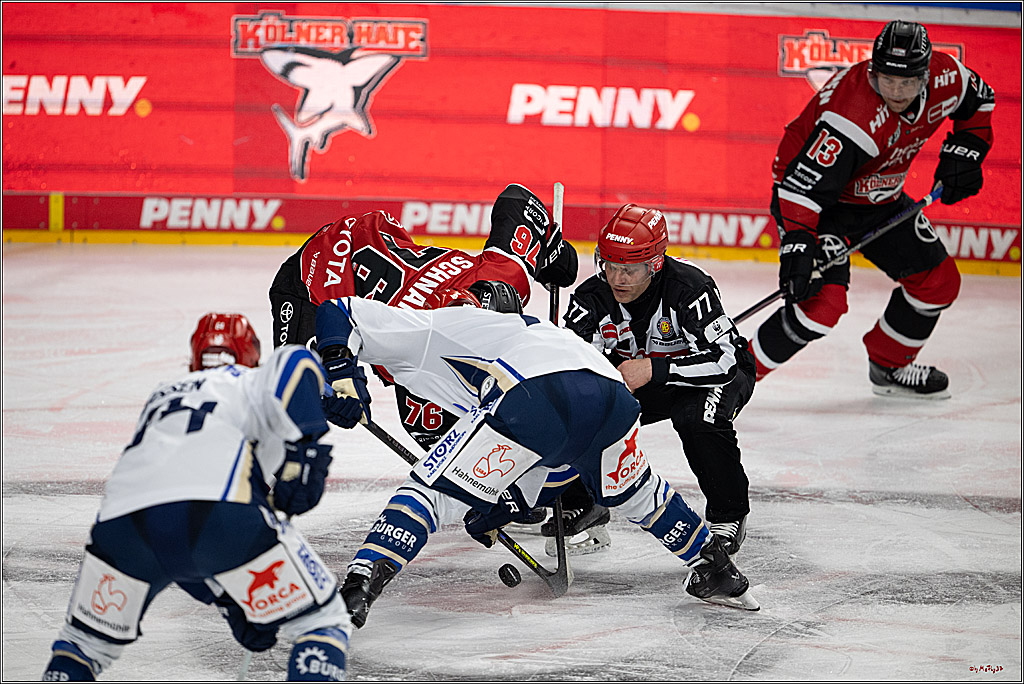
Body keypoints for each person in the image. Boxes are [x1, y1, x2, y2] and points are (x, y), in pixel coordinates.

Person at [314, 295, 760, 630]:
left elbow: (337, 313)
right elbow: (552, 456)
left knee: (431, 495)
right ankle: (716, 569)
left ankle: (359, 587)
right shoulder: (532, 331)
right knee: (639, 493)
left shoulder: (430, 326)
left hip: (533, 394)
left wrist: (344, 382)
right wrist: (503, 505)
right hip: (612, 398)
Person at [42, 313, 365, 682]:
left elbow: (175, 540)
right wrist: (307, 448)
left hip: (122, 526)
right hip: (221, 513)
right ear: (250, 355)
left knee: (82, 645)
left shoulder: (160, 396)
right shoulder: (248, 378)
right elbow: (297, 362)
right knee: (322, 621)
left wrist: (227, 598)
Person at [751, 20, 995, 398]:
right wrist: (799, 243)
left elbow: (980, 101)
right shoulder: (852, 115)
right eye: (886, 80)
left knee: (938, 283)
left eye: (907, 83)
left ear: (925, 76)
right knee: (821, 304)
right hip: (814, 200)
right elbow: (802, 188)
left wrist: (967, 150)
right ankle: (735, 379)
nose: (896, 91)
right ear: (872, 70)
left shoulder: (948, 78)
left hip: (880, 198)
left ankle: (889, 364)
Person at [269, 182, 577, 450]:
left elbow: (517, 200)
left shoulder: (505, 277)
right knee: (297, 389)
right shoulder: (411, 343)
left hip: (372, 239)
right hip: (308, 282)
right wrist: (337, 379)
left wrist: (552, 252)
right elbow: (334, 326)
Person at [555, 204, 756, 557]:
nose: (618, 279)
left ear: (655, 264)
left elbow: (725, 361)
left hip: (713, 375)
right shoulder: (591, 298)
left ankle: (729, 514)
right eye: (611, 267)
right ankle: (584, 502)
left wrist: (654, 369)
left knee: (698, 418)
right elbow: (566, 364)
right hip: (640, 380)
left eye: (630, 270)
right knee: (577, 411)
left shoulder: (689, 288)